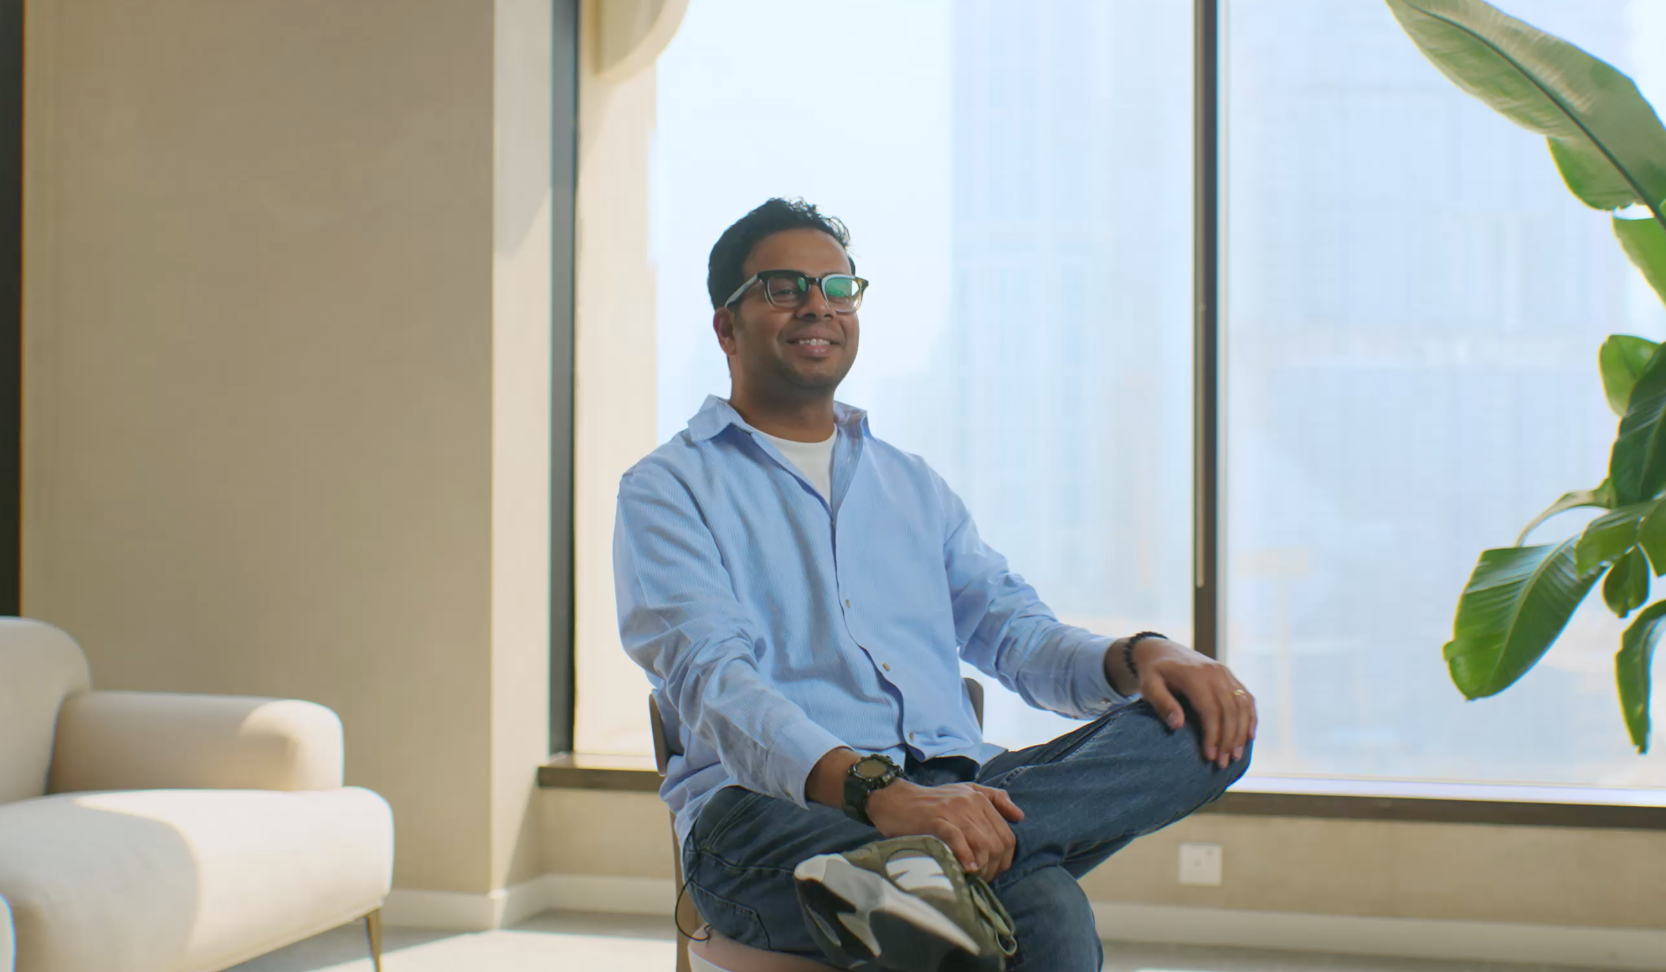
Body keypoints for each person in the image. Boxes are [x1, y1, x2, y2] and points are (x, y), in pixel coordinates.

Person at [614, 198, 1256, 971]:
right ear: (727, 326)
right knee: (1045, 912)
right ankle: (932, 865)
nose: (818, 304)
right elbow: (716, 686)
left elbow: (1017, 634)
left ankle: (936, 863)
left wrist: (1141, 656)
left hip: (960, 786)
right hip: (771, 817)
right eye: (783, 287)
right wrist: (880, 794)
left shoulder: (911, 487)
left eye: (837, 287)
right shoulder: (669, 488)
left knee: (1198, 726)